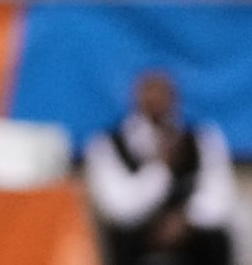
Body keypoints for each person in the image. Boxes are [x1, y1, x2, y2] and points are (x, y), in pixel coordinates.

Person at [84, 70, 236, 265]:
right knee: (121, 238)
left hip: (190, 232)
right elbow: (121, 209)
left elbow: (219, 196)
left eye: (163, 93)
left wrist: (184, 221)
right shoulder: (106, 144)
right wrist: (160, 169)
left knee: (216, 238)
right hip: (138, 233)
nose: (157, 100)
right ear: (136, 97)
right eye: (150, 92)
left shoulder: (202, 139)